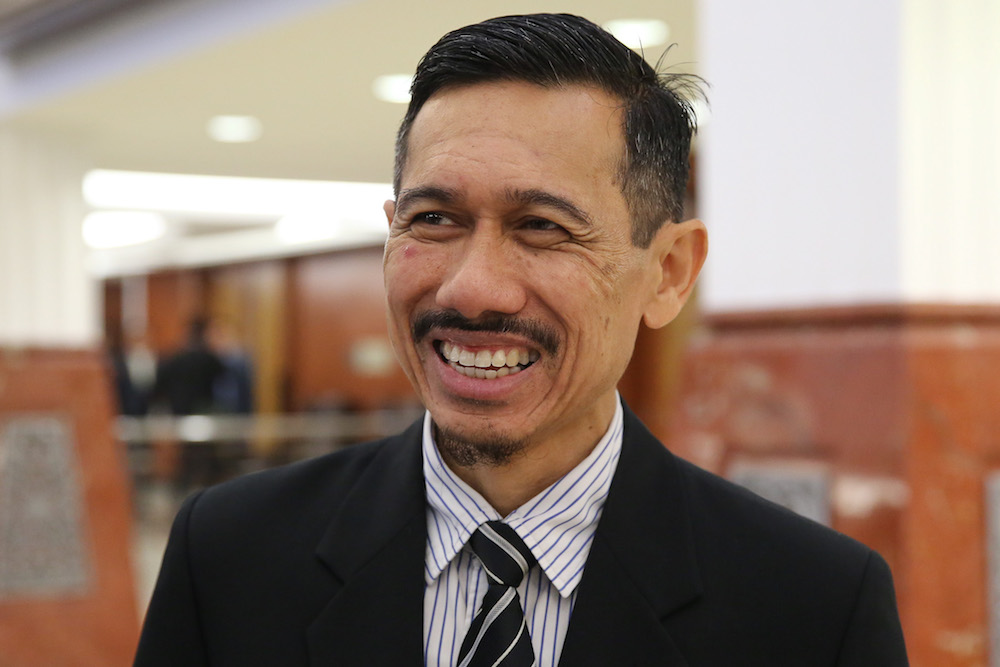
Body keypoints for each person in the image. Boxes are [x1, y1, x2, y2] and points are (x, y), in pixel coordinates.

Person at [134, 13, 908, 665]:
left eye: (542, 227)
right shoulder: (230, 554)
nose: (472, 287)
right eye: (434, 218)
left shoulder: (812, 607)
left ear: (668, 272)